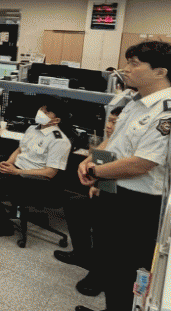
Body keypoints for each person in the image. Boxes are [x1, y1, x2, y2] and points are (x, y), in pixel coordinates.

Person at [76, 41, 171, 311]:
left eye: (134, 64)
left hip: (138, 203)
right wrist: (90, 159)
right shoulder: (134, 101)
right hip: (114, 191)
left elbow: (142, 164)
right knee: (109, 263)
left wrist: (95, 172)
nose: (125, 69)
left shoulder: (165, 111)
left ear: (160, 72)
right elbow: (115, 141)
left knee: (126, 270)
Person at [53, 107, 124, 298]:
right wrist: (95, 180)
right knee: (74, 204)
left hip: (124, 200)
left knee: (103, 228)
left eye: (114, 122)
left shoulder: (127, 143)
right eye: (109, 121)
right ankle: (82, 254)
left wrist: (99, 183)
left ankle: (98, 276)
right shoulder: (114, 139)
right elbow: (102, 153)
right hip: (109, 190)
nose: (109, 126)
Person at [0, 96, 72, 237]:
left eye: (46, 112)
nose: (41, 113)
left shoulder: (59, 141)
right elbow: (20, 150)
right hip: (16, 170)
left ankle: (4, 227)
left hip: (32, 181)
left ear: (56, 120)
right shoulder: (32, 128)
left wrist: (17, 172)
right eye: (41, 109)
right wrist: (9, 163)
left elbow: (50, 172)